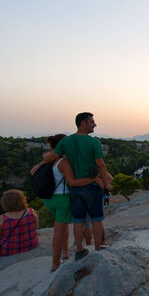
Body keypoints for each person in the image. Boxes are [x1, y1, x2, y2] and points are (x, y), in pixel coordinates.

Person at [44, 112, 113, 260]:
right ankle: (97, 249)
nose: (95, 124)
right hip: (92, 186)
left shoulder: (66, 142)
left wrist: (45, 157)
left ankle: (79, 250)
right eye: (91, 122)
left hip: (74, 188)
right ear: (82, 123)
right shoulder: (94, 142)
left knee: (78, 220)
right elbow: (100, 164)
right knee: (96, 219)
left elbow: (50, 158)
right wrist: (106, 182)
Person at [30, 134, 104, 270]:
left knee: (62, 227)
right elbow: (72, 182)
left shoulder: (48, 161)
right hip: (62, 199)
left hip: (48, 200)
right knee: (59, 231)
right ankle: (55, 264)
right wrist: (93, 180)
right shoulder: (63, 162)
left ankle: (64, 253)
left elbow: (32, 172)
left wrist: (44, 161)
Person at [0, 190, 39, 256]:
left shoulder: (2, 218)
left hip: (8, 250)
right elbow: (36, 227)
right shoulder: (31, 212)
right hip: (32, 244)